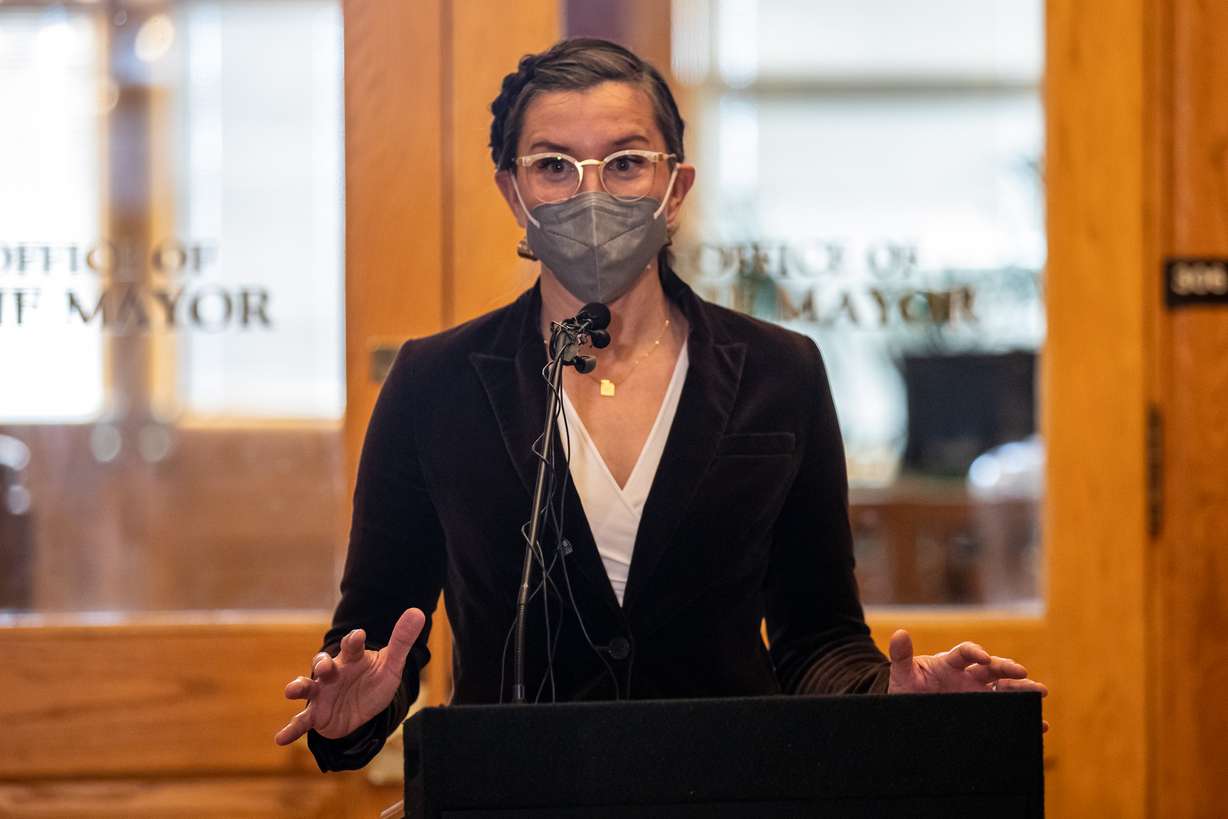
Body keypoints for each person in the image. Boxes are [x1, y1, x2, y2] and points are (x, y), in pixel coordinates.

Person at [274, 38, 1048, 772]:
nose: (591, 192)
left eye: (625, 163)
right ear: (513, 192)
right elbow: (376, 641)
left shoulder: (780, 373)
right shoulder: (434, 382)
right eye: (554, 165)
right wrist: (354, 715)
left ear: (675, 187)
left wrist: (894, 698)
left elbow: (819, 639)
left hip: (732, 793)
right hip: (510, 795)